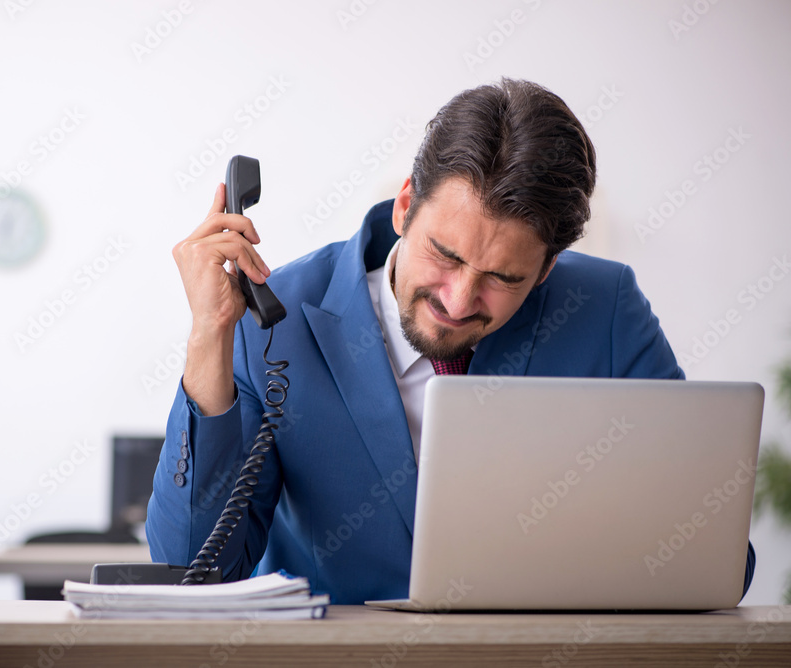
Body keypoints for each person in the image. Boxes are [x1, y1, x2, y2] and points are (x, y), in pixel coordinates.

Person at [146, 78, 754, 604]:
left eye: (502, 278)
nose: (459, 301)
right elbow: (192, 570)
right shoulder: (273, 322)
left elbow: (710, 557)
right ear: (405, 206)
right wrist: (209, 336)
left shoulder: (606, 310)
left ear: (546, 269)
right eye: (445, 255)